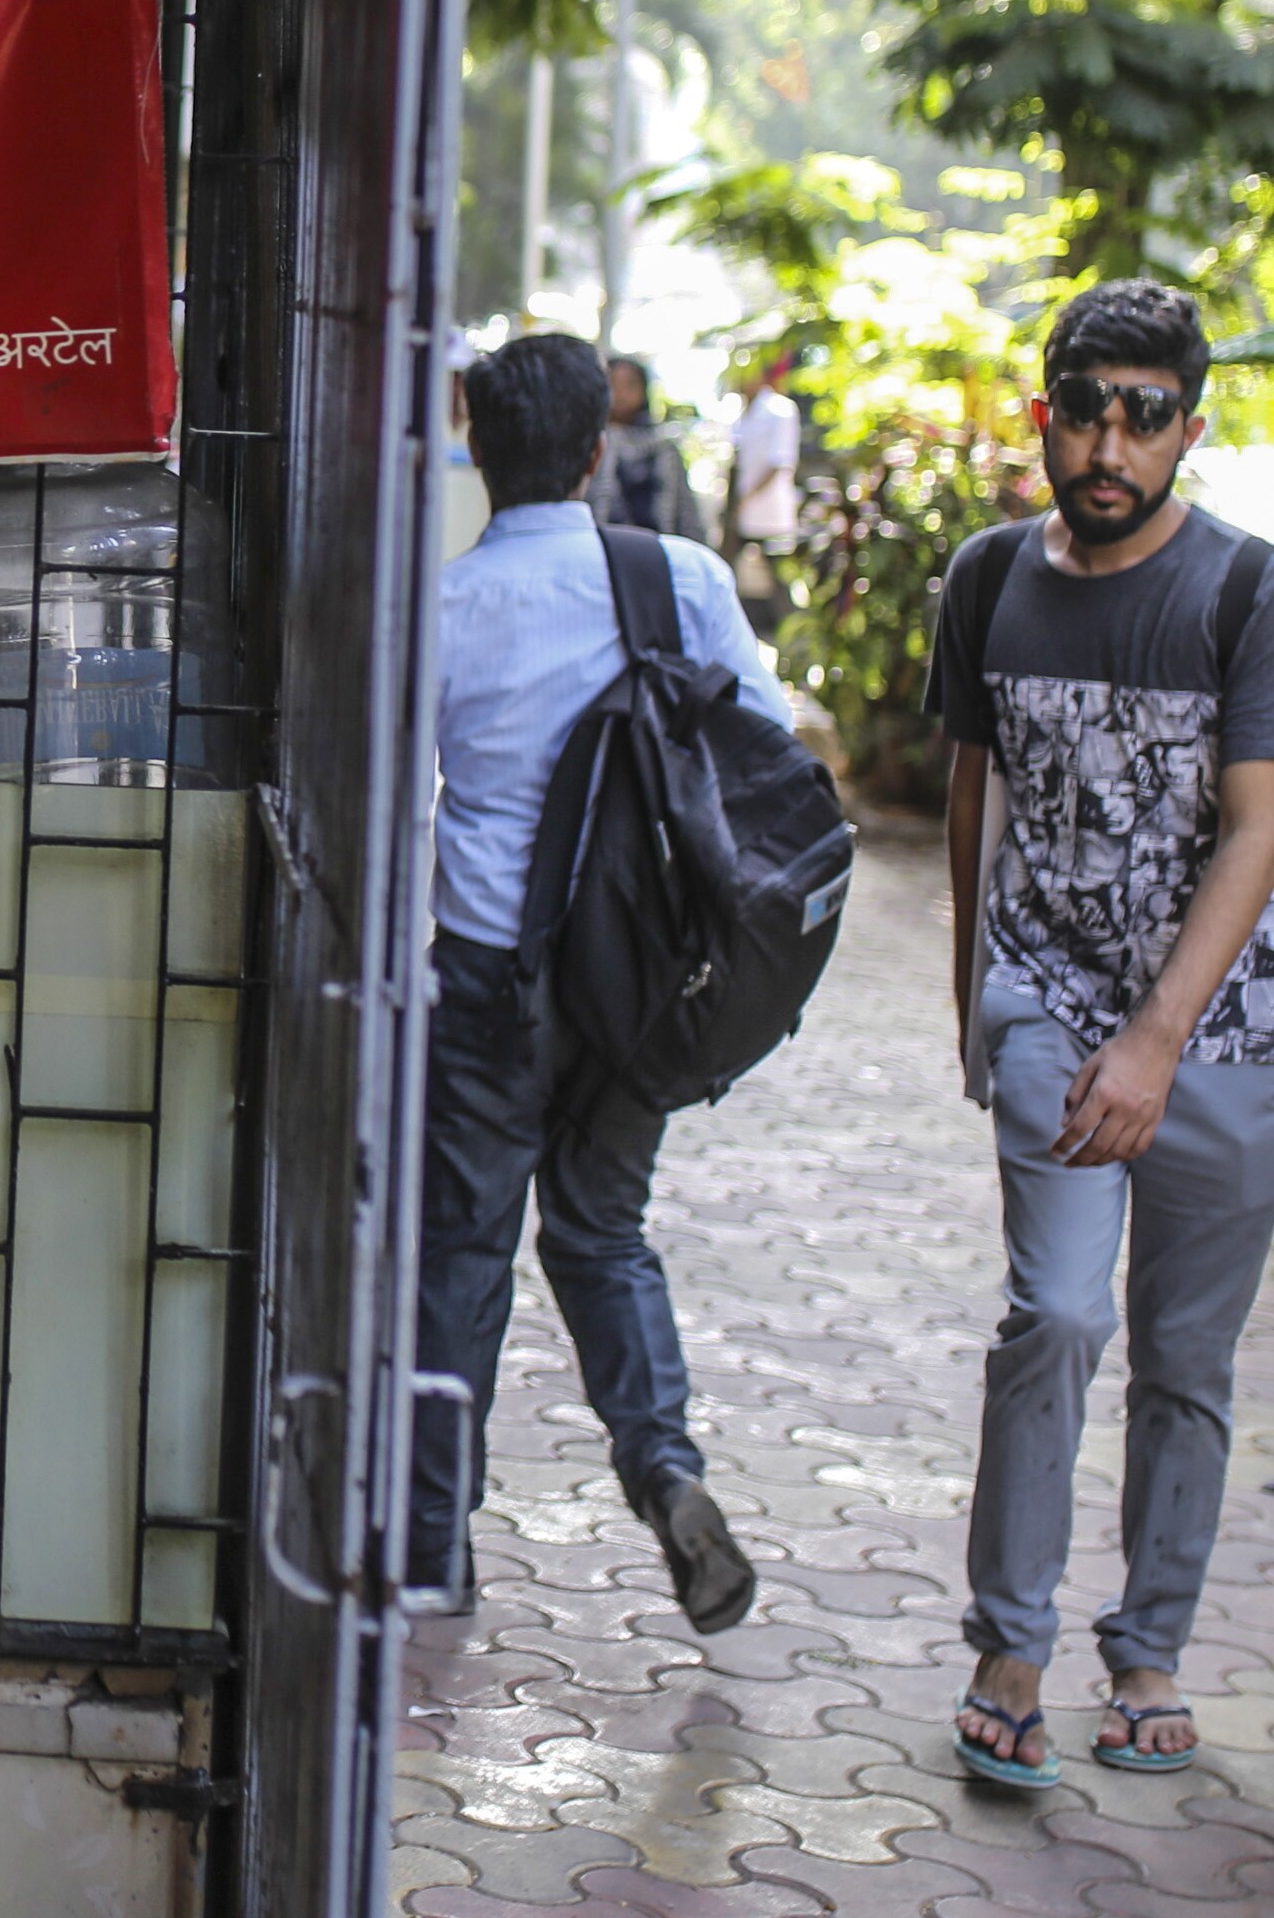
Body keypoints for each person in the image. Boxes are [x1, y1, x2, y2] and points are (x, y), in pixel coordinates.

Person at [929, 280, 1274, 1788]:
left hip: (1222, 1031)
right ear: (1045, 414)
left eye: (1145, 417)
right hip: (1046, 997)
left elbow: (1259, 829)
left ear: (1188, 428)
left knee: (1183, 1357)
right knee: (1054, 1314)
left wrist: (1158, 1038)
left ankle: (1148, 1647)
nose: (1110, 448)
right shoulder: (986, 577)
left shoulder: (1253, 592)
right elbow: (972, 790)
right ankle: (1008, 1646)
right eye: (1087, 412)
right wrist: (974, 995)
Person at [420, 333, 783, 1629]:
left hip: (486, 981)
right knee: (603, 1233)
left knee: (464, 1248)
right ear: (594, 451)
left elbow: (392, 805)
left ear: (476, 444)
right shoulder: (677, 579)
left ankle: (433, 1541)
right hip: (635, 983)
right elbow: (766, 753)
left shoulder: (445, 610)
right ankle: (666, 1469)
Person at [724, 352, 804, 631]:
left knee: (779, 578)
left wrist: (749, 496)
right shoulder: (739, 412)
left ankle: (794, 635)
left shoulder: (780, 410)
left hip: (769, 510)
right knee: (728, 571)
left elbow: (779, 461)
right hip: (741, 510)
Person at [593, 356, 711, 541]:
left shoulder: (664, 447)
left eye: (630, 385)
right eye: (613, 384)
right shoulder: (589, 444)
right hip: (602, 547)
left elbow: (685, 510)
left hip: (658, 548)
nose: (621, 394)